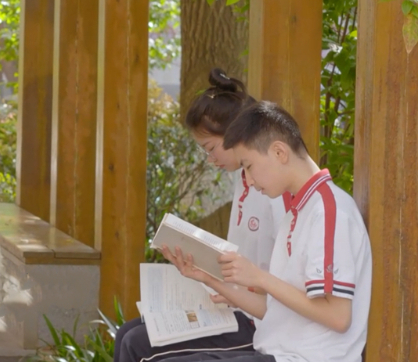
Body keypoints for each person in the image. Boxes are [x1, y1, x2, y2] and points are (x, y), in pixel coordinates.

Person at [159, 101, 371, 362]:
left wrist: (260, 278)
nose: (248, 180)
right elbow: (273, 311)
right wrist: (208, 279)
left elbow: (338, 317)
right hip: (277, 353)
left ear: (279, 152)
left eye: (248, 166)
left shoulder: (329, 211)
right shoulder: (299, 211)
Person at [114, 69, 289, 362]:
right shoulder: (244, 179)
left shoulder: (275, 187)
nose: (210, 159)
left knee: (136, 344)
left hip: (259, 321)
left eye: (211, 148)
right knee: (126, 333)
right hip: (236, 305)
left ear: (236, 134)